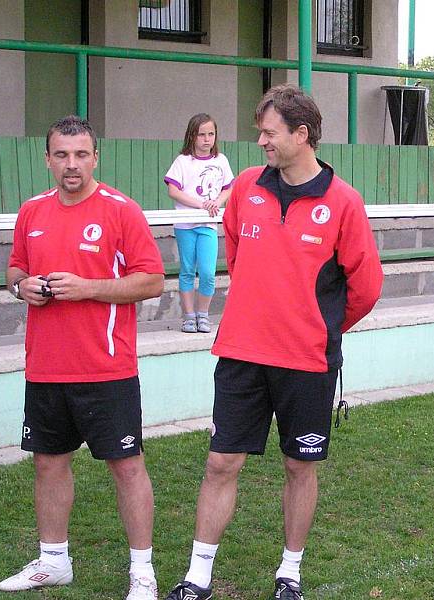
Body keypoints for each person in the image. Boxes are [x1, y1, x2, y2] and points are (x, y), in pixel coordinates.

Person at [164, 85, 383, 600]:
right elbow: (237, 253)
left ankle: (290, 572)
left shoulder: (343, 202)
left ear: (301, 134)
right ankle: (198, 576)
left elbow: (366, 286)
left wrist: (316, 324)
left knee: (298, 465)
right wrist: (260, 307)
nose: (260, 141)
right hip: (241, 352)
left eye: (269, 132)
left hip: (306, 360)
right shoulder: (244, 187)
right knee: (221, 461)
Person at [1, 115, 165, 600]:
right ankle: (53, 561)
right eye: (61, 155)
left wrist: (89, 289)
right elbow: (14, 267)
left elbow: (152, 280)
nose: (71, 164)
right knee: (49, 462)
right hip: (46, 366)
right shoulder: (31, 211)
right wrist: (20, 286)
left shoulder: (121, 210)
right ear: (48, 158)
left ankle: (142, 571)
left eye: (80, 154)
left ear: (96, 156)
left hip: (106, 368)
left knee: (126, 466)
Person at [165, 113, 234, 333]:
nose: (206, 139)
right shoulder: (183, 161)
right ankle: (188, 316)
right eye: (201, 134)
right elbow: (173, 190)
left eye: (211, 134)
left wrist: (216, 203)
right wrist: (199, 204)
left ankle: (203, 314)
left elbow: (228, 188)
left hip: (208, 224)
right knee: (187, 270)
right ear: (192, 136)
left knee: (207, 271)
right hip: (185, 224)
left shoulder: (220, 160)